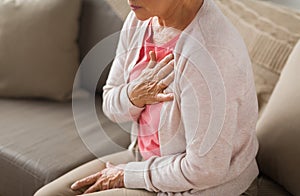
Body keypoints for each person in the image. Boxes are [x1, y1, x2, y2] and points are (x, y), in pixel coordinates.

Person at [35, 0, 259, 195]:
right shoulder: (139, 21)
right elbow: (110, 103)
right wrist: (135, 94)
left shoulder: (210, 54)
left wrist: (126, 176)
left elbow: (205, 170)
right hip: (144, 159)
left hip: (204, 188)